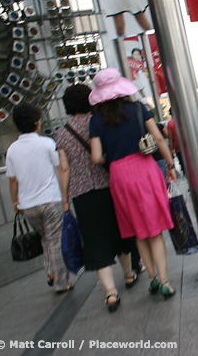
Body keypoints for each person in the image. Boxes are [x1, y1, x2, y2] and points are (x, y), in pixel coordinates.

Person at [89, 68, 177, 300]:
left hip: (119, 175)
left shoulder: (96, 120)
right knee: (155, 229)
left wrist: (114, 157)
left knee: (139, 231)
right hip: (145, 169)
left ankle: (151, 278)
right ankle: (165, 281)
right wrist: (170, 164)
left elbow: (97, 157)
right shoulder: (139, 109)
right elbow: (158, 138)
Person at [56, 84, 136, 312]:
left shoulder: (62, 133)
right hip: (109, 184)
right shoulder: (101, 121)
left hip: (82, 194)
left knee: (95, 239)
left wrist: (64, 199)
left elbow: (64, 169)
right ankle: (129, 275)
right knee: (119, 229)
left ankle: (111, 293)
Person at [6, 102, 72, 294]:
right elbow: (61, 167)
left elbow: (12, 180)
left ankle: (50, 271)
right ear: (36, 122)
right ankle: (60, 282)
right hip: (51, 200)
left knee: (45, 239)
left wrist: (14, 203)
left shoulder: (12, 150)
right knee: (55, 240)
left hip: (28, 205)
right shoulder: (46, 143)